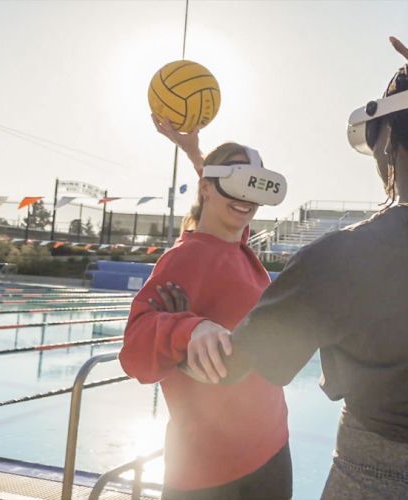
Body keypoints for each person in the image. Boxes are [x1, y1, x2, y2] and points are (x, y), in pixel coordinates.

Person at [159, 0, 408, 497]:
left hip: (369, 483)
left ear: (389, 142)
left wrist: (183, 329)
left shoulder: (342, 259)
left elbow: (231, 368)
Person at [118, 137, 292, 500]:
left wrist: (196, 153)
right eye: (235, 184)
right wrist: (190, 328)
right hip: (208, 469)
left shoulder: (239, 246)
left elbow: (226, 204)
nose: (245, 200)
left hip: (273, 446)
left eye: (252, 188)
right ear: (206, 188)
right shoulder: (186, 258)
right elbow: (133, 349)